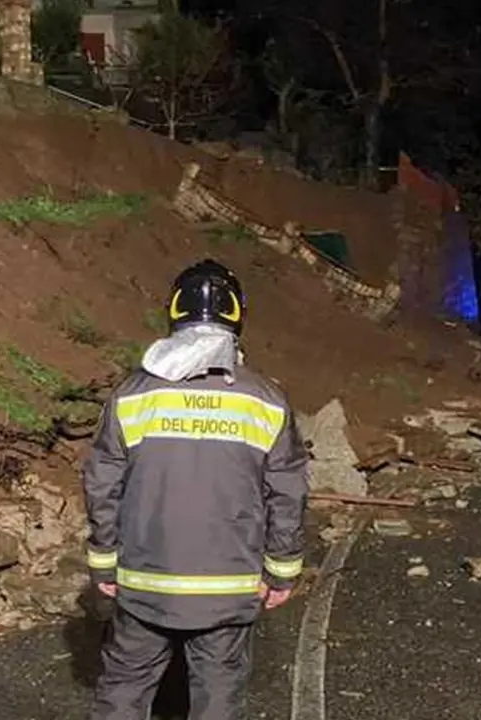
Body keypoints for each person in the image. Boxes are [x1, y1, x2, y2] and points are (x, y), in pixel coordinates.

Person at [82, 259, 309, 720]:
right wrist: (282, 571)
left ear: (174, 311)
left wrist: (104, 561)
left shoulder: (133, 394)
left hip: (144, 581)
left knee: (125, 690)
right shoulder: (264, 399)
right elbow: (288, 490)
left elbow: (103, 481)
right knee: (217, 696)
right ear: (237, 316)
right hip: (228, 586)